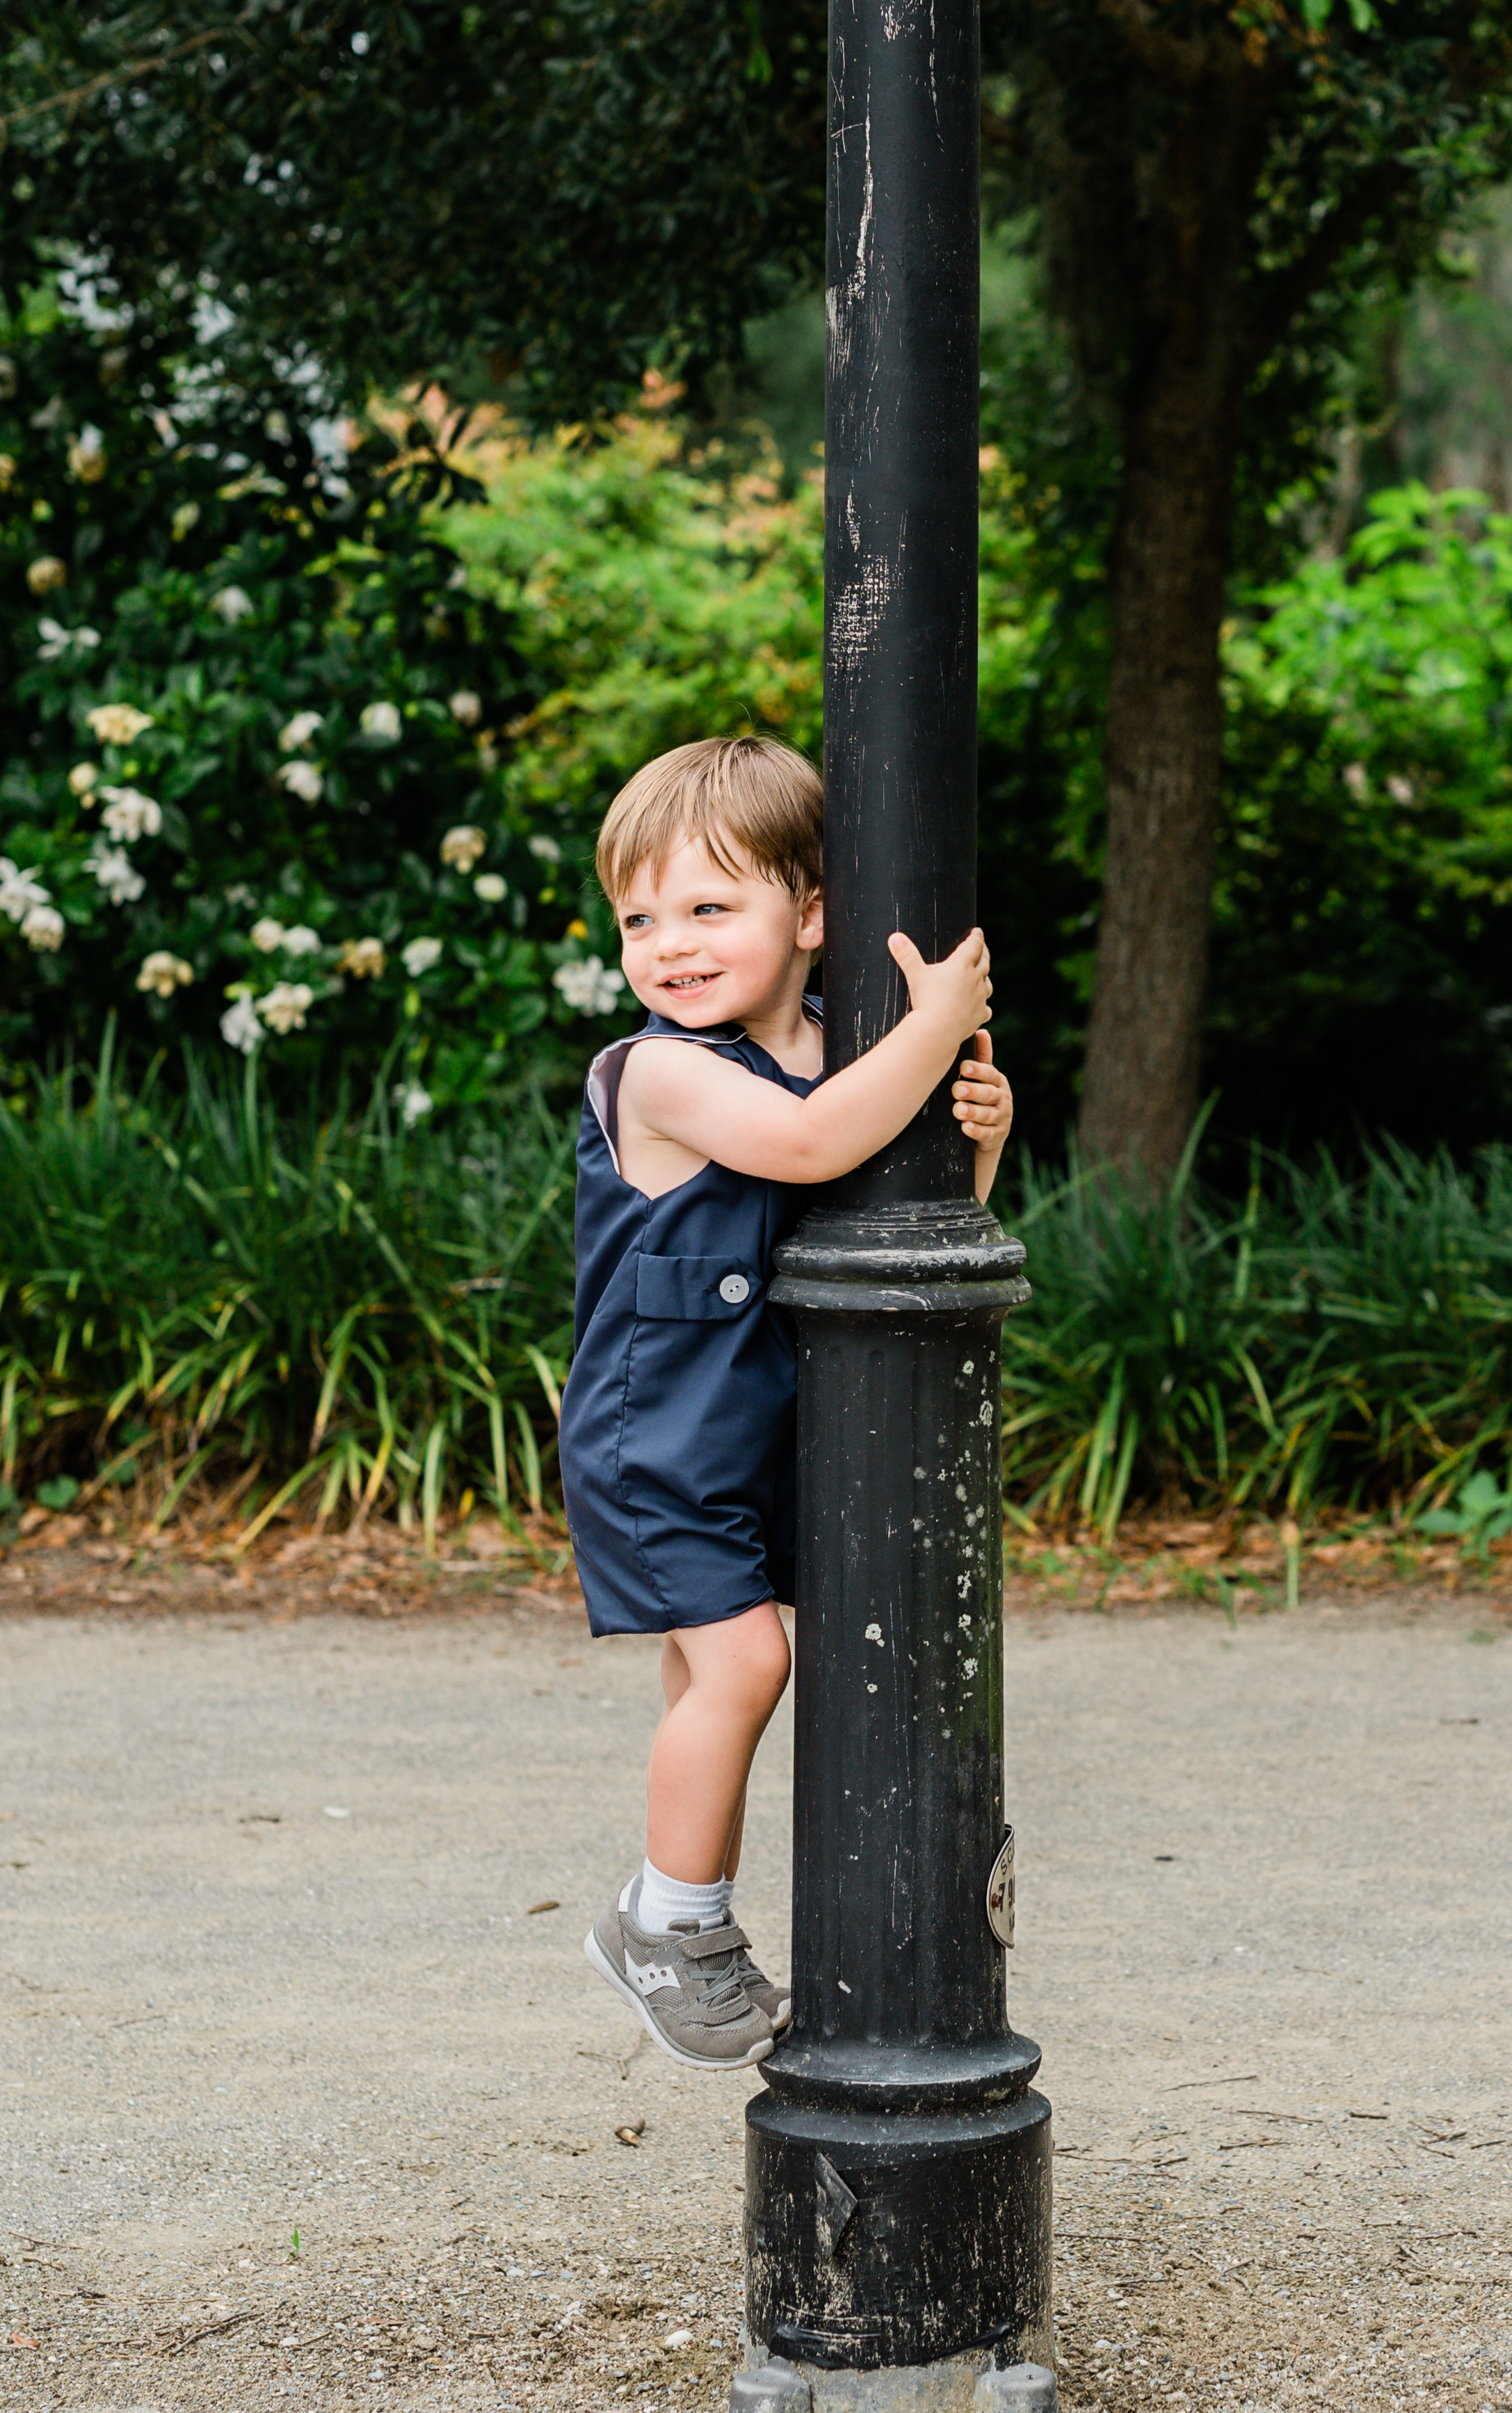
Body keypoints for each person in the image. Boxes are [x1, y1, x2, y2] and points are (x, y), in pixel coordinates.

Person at [562, 735, 1014, 2070]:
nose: (670, 945)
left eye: (711, 908)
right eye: (641, 918)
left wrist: (969, 1146)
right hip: (658, 1444)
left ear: (809, 914)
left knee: (720, 1678)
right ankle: (667, 1919)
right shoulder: (660, 1073)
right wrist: (936, 1029)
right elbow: (819, 1145)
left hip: (755, 1444)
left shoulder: (831, 1048)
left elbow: (882, 1222)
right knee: (751, 1664)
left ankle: (688, 1914)